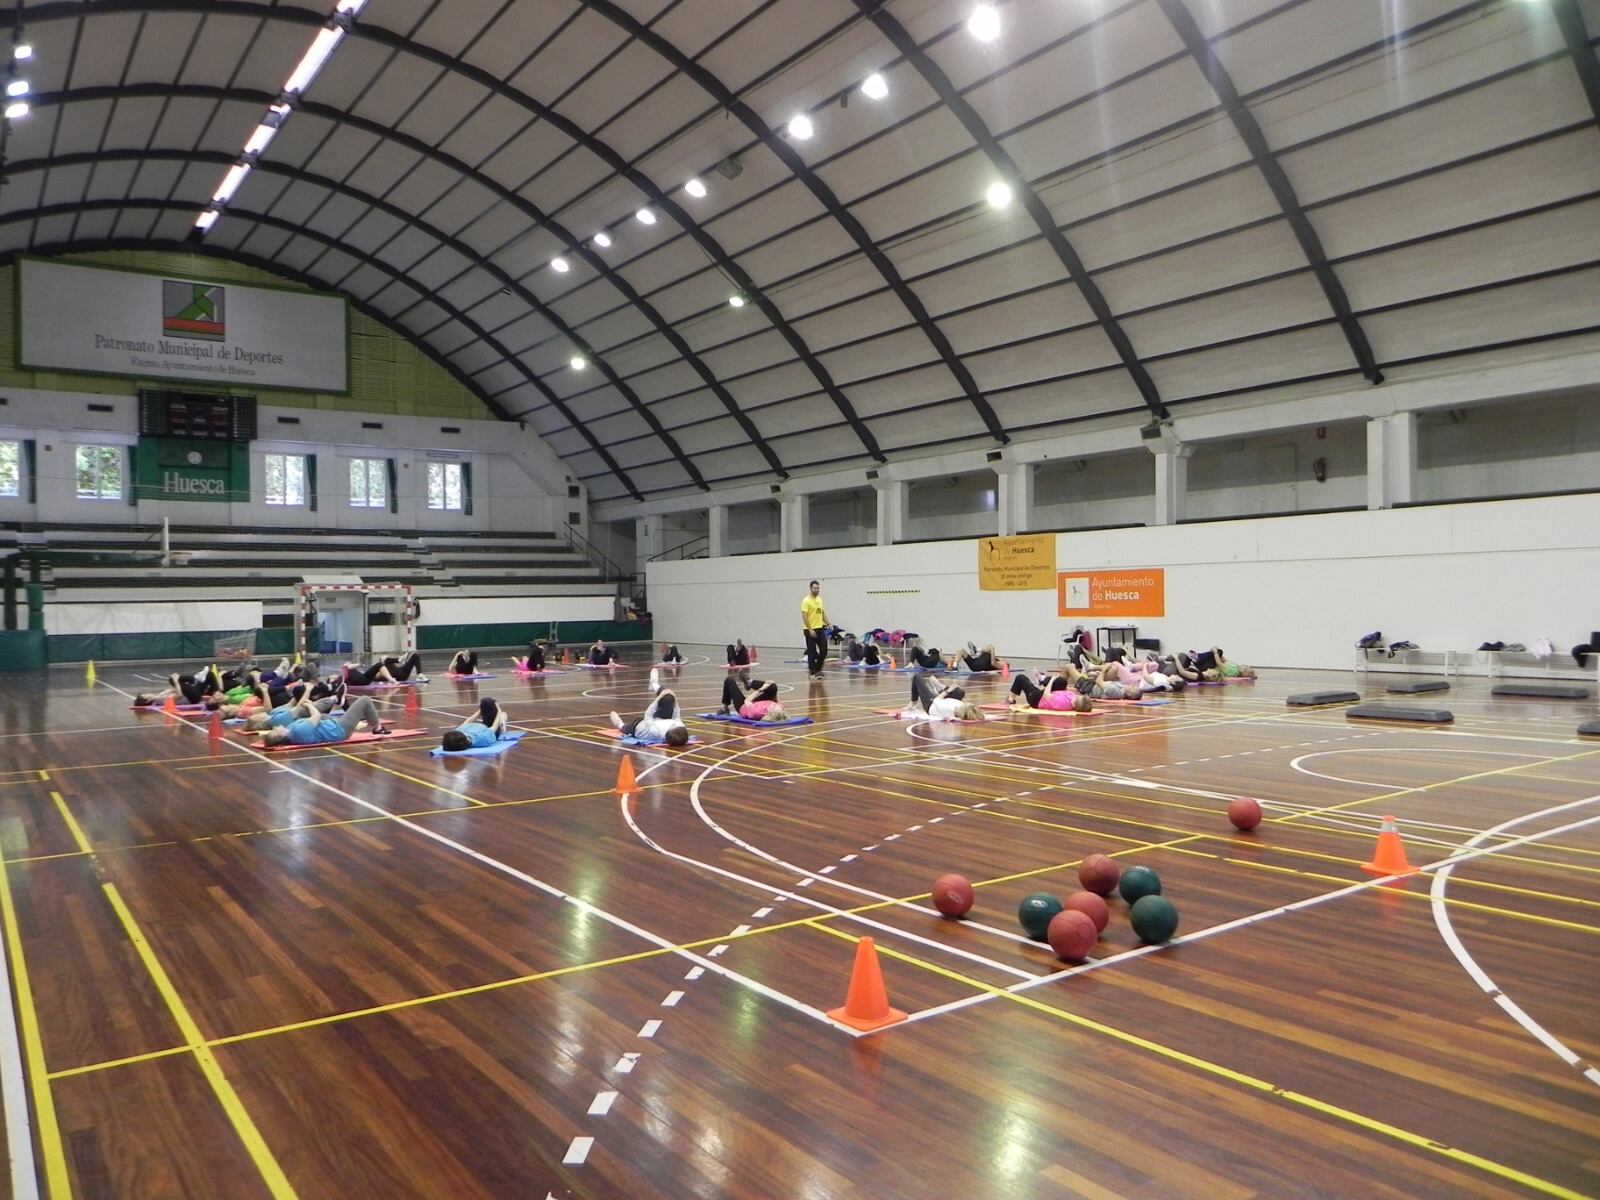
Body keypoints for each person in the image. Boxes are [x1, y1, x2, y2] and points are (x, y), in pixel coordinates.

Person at [260, 695, 389, 747]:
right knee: (365, 700)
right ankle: (378, 728)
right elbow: (315, 716)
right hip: (340, 730)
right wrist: (310, 704)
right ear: (280, 735)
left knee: (313, 712)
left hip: (328, 724)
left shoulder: (291, 731)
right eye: (275, 731)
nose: (276, 727)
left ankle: (335, 698)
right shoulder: (299, 731)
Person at [608, 688, 691, 746]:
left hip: (640, 727)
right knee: (669, 698)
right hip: (658, 720)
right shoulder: (679, 726)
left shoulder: (656, 732)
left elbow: (648, 715)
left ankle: (619, 724)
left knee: (625, 728)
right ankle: (655, 685)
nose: (674, 724)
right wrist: (675, 698)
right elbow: (676, 716)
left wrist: (658, 698)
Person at [440, 698, 509, 751]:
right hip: (488, 729)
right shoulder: (483, 738)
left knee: (485, 702)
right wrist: (498, 711)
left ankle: (498, 715)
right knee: (492, 706)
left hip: (481, 727)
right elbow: (494, 726)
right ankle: (501, 721)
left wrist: (480, 710)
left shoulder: (458, 733)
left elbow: (468, 720)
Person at [907, 674, 984, 721]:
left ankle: (913, 702)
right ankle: (940, 688)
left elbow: (936, 700)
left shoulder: (947, 708)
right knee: (960, 692)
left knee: (916, 678)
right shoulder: (961, 707)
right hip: (945, 700)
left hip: (931, 704)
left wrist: (947, 691)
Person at [1008, 671, 1094, 712]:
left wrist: (1052, 680)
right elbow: (1065, 692)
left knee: (1020, 678)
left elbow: (1046, 695)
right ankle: (1042, 679)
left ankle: (1011, 699)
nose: (1077, 696)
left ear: (1075, 703)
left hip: (1037, 699)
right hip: (1045, 695)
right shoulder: (1074, 698)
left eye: (1079, 697)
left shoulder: (1062, 703)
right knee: (1062, 682)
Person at [718, 673, 789, 721]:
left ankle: (726, 709)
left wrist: (761, 689)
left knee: (729, 680)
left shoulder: (757, 712)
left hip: (743, 705)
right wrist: (769, 684)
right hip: (758, 702)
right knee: (773, 686)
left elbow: (747, 701)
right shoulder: (779, 707)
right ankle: (750, 682)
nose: (777, 708)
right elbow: (775, 700)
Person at [801, 579, 829, 679]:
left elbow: (822, 613)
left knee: (824, 649)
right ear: (811, 588)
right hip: (809, 630)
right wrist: (810, 629)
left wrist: (828, 623)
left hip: (820, 628)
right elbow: (804, 616)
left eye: (818, 588)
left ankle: (818, 669)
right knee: (812, 652)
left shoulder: (820, 600)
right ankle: (813, 672)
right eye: (815, 588)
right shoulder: (806, 601)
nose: (817, 590)